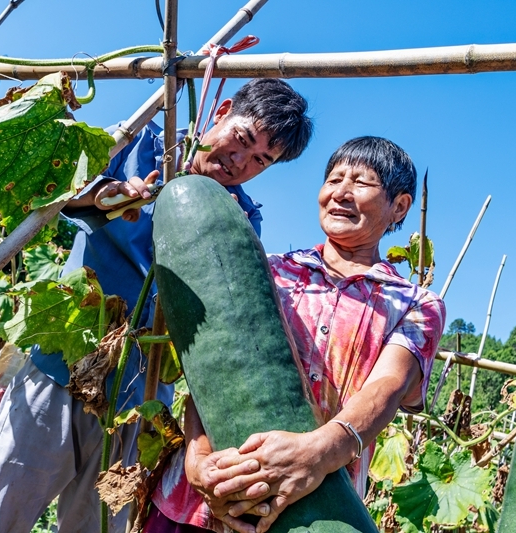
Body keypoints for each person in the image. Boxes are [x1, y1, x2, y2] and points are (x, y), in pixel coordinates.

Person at [0, 78, 313, 533]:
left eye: (261, 160)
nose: (239, 161)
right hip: (66, 364)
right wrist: (107, 195)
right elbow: (59, 191)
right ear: (220, 111)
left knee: (95, 527)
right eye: (241, 139)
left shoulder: (240, 216)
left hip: (141, 401)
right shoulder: (144, 142)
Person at [145, 136, 446, 533]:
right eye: (334, 179)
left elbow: (388, 386)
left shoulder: (414, 303)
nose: (341, 192)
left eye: (361, 182)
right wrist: (198, 459)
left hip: (312, 510)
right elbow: (213, 368)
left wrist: (316, 453)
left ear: (400, 206)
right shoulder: (269, 269)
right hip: (202, 500)